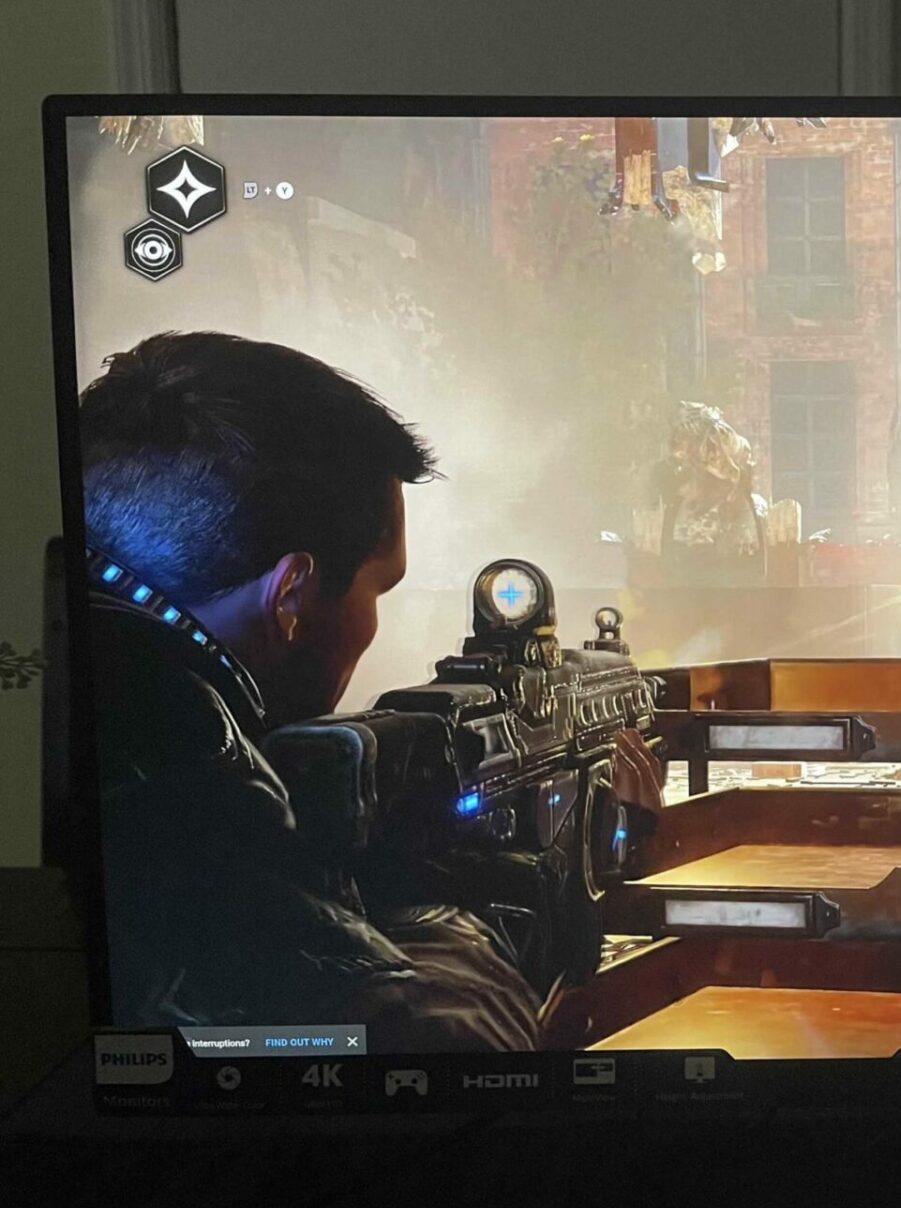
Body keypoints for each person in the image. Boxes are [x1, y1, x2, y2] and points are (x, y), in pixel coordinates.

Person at [79, 331, 650, 1052]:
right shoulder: (202, 799)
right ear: (291, 594)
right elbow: (405, 1036)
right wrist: (468, 945)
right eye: (381, 588)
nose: (374, 622)